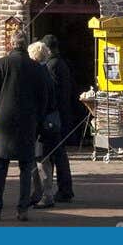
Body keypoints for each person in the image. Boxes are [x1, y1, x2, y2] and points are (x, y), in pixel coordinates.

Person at [0, 31, 51, 221]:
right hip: (27, 122)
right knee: (26, 166)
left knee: (0, 165)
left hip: (4, 120)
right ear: (26, 44)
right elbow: (43, 98)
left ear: (11, 44)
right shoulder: (36, 68)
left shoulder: (2, 64)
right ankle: (22, 208)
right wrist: (38, 119)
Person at [42, 32, 75, 202]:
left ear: (47, 49)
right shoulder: (60, 63)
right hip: (62, 114)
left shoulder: (52, 65)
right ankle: (64, 188)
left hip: (56, 117)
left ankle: (64, 189)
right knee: (59, 154)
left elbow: (53, 92)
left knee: (56, 154)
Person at [27, 41, 56, 208]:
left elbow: (42, 100)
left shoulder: (40, 74)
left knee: (41, 159)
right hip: (43, 121)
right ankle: (38, 192)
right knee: (38, 158)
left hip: (41, 122)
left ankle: (46, 194)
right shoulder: (45, 72)